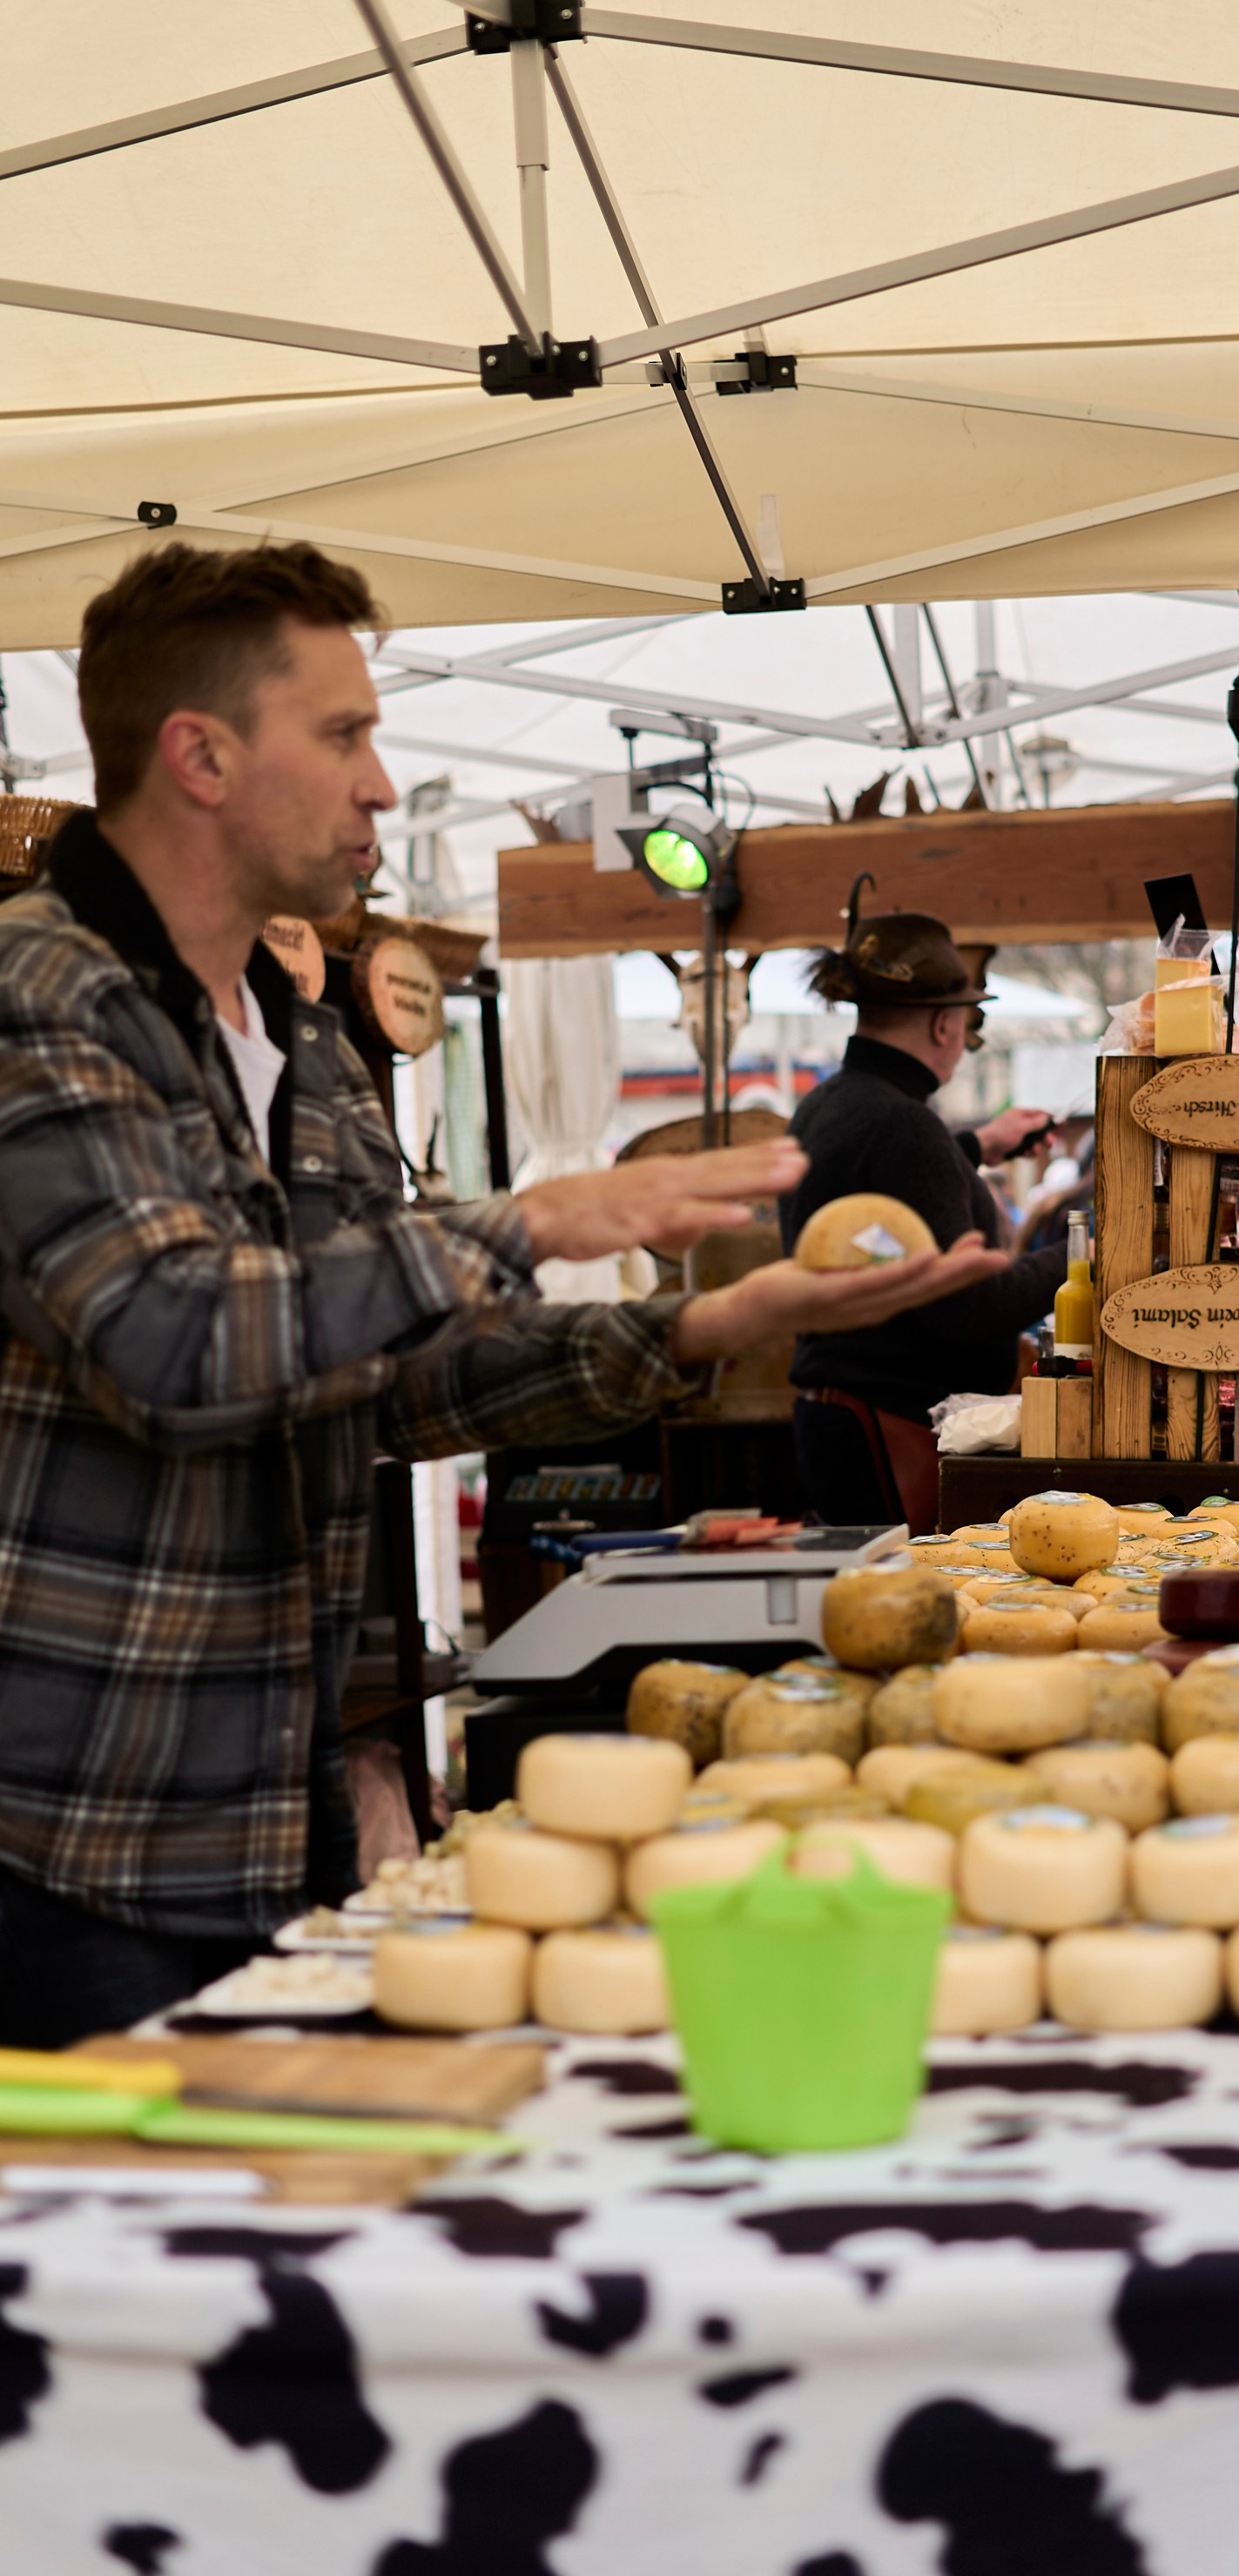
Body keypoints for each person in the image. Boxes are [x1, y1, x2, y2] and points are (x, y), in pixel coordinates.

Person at [0, 542, 1003, 2046]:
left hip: (277, 1814)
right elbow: (178, 1341)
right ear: (199, 756)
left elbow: (402, 1371)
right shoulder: (35, 998)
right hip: (67, 1838)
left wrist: (703, 1329)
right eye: (343, 734)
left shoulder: (308, 1047)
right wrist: (531, 1221)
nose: (383, 784)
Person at [779, 886, 1062, 1527]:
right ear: (945, 1024)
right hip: (889, 1431)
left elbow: (877, 1203)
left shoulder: (830, 1104)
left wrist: (977, 1145)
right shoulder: (905, 1128)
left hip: (847, 1421)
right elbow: (967, 1307)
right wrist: (1081, 1259)